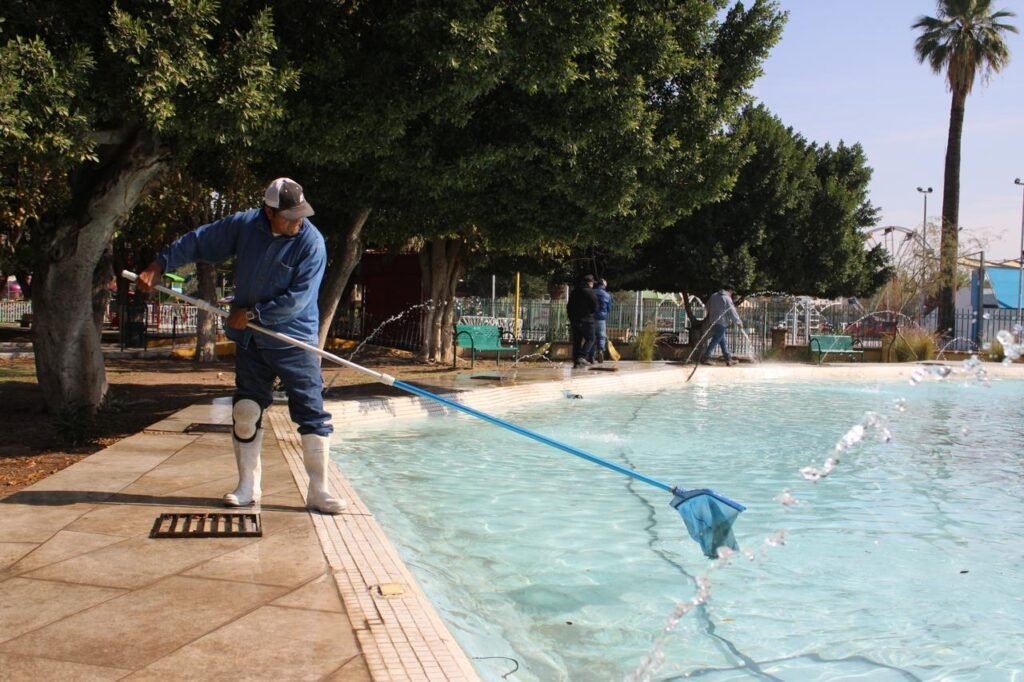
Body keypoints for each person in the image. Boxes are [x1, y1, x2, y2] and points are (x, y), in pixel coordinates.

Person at [135, 177, 345, 514]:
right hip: (251, 341)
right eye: (290, 217)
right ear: (268, 212)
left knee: (311, 413)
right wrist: (160, 264)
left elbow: (299, 299)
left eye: (301, 214)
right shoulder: (245, 226)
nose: (298, 222)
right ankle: (248, 486)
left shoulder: (312, 243)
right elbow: (200, 240)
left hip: (293, 341)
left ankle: (319, 490)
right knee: (246, 411)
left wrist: (253, 313)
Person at [702, 284, 742, 366]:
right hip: (722, 322)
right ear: (729, 290)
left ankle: (728, 359)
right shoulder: (727, 298)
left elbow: (707, 306)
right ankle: (706, 357)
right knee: (716, 339)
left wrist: (713, 314)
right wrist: (738, 321)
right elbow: (732, 311)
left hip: (713, 321)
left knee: (723, 341)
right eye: (732, 292)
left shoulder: (714, 295)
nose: (732, 294)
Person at [566, 274, 599, 368]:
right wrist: (590, 314)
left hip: (575, 320)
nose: (593, 285)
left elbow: (569, 307)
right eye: (592, 283)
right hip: (587, 320)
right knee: (591, 338)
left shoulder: (574, 292)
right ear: (589, 283)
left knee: (577, 341)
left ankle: (576, 360)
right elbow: (595, 306)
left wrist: (571, 318)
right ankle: (582, 356)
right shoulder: (590, 292)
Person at [589, 278, 612, 363]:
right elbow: (609, 308)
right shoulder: (607, 295)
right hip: (601, 319)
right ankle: (601, 351)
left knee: (591, 337)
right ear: (604, 285)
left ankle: (591, 356)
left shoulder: (591, 292)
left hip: (591, 318)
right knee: (601, 336)